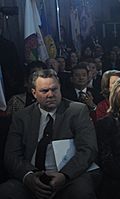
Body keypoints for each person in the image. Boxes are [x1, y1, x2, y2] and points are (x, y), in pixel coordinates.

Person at [0, 69, 101, 199]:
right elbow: (11, 155)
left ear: (60, 89)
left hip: (70, 176)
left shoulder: (77, 111)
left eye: (54, 89)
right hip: (32, 176)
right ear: (34, 93)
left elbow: (88, 149)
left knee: (81, 192)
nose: (50, 94)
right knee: (6, 192)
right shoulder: (22, 117)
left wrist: (65, 175)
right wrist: (28, 176)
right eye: (44, 91)